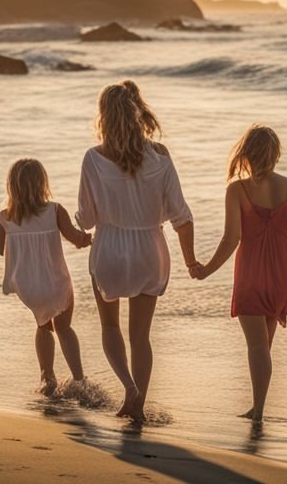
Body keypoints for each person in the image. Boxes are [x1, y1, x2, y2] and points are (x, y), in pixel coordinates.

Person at [192, 125, 287, 422]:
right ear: (276, 155)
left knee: (257, 346)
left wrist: (206, 269)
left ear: (246, 153)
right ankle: (257, 406)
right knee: (265, 346)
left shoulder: (237, 190)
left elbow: (230, 240)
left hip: (252, 273)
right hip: (285, 274)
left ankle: (258, 410)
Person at [76, 80, 197, 423]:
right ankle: (139, 406)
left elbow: (86, 219)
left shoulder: (94, 158)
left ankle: (128, 387)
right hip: (150, 250)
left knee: (110, 328)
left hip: (110, 249)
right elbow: (182, 217)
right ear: (137, 112)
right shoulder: (160, 156)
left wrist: (74, 227)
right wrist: (190, 261)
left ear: (103, 117)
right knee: (141, 336)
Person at [0, 158, 92, 396]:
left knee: (43, 326)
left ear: (12, 186)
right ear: (42, 183)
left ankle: (47, 378)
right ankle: (80, 381)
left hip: (29, 288)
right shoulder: (54, 210)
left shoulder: (4, 218)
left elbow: (0, 249)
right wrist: (91, 238)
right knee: (64, 328)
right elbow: (76, 239)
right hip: (56, 283)